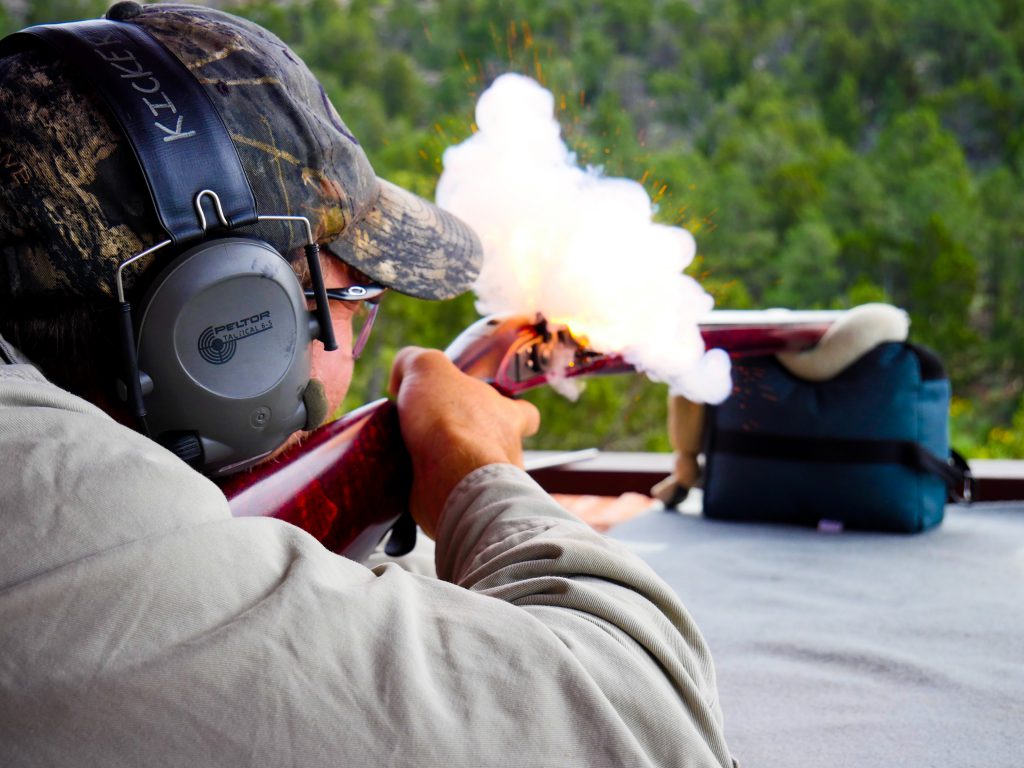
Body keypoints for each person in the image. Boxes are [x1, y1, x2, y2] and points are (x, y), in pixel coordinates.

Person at [0, 3, 735, 766]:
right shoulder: (80, 532)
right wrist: (479, 473)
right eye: (353, 301)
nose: (353, 351)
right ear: (229, 326)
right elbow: (646, 723)